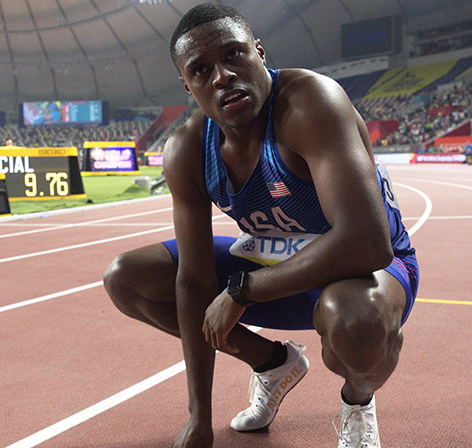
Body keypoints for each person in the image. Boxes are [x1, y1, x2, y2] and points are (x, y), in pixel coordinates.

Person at [103, 4, 418, 448]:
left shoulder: (310, 103)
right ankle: (271, 363)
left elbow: (367, 243)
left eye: (233, 55)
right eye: (201, 69)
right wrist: (200, 419)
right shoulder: (188, 148)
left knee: (356, 320)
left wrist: (242, 291)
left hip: (362, 270)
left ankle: (358, 402)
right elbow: (193, 284)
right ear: (187, 85)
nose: (222, 76)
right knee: (126, 278)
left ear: (259, 52)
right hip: (274, 262)